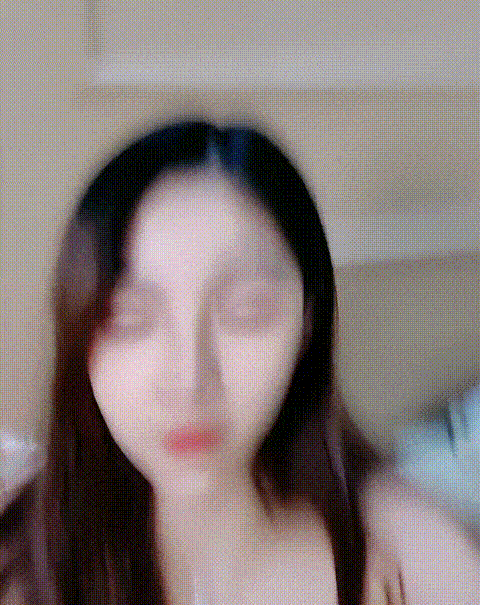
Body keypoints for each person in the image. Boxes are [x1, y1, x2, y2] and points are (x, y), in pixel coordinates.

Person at [1, 119, 479, 605]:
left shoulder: (414, 560)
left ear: (308, 324)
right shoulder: (21, 561)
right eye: (128, 319)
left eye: (246, 312)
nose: (189, 382)